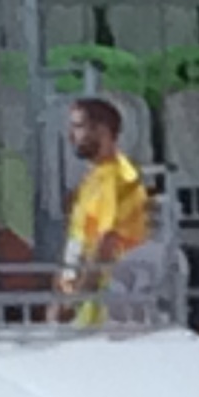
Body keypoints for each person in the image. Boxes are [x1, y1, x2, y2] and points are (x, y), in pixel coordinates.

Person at [60, 99, 153, 320]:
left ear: (101, 131)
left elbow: (106, 245)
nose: (71, 136)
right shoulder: (93, 178)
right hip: (86, 299)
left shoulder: (116, 179)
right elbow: (78, 240)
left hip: (106, 303)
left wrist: (73, 302)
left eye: (78, 127)